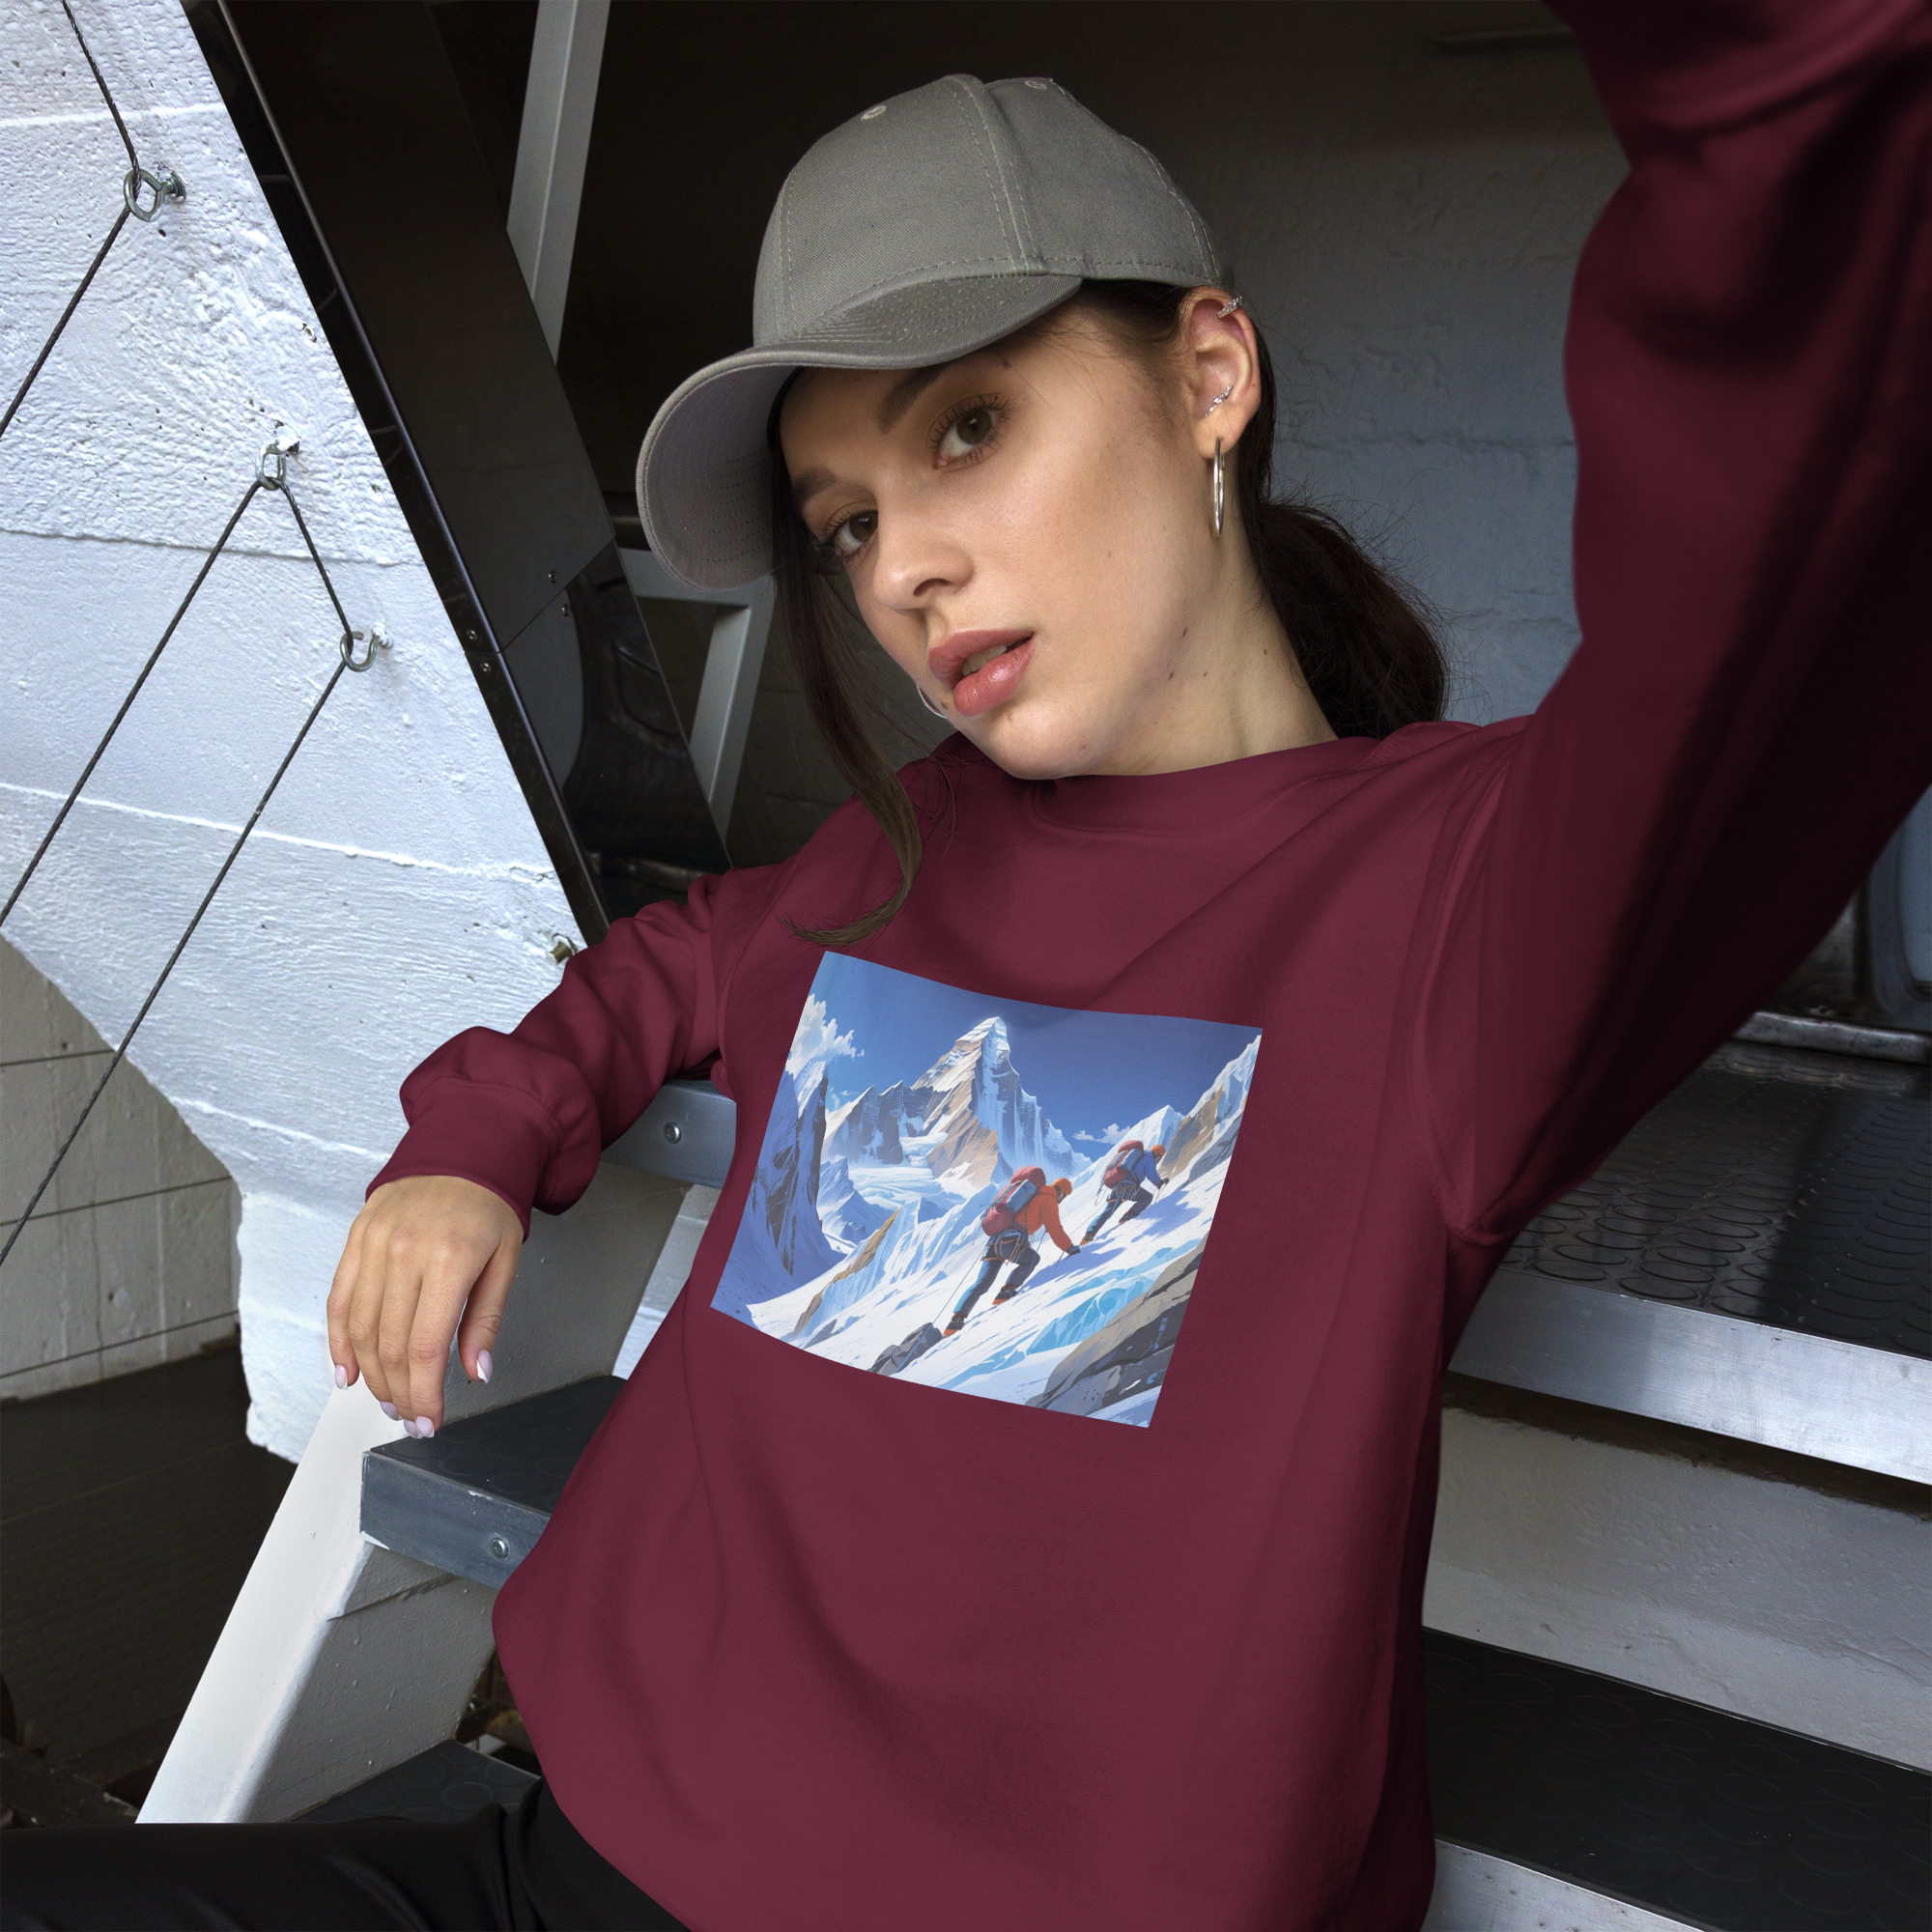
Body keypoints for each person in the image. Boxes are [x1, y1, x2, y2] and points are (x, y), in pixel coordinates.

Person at [8, 3, 1927, 1927]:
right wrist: (469, 1141)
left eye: (968, 428)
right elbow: (667, 963)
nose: (901, 568)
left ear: (1208, 377)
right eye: (846, 520)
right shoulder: (897, 850)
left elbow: (1778, 503)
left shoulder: (1457, 907)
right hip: (578, 1861)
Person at [946, 1172, 1076, 1334]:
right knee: (1032, 1259)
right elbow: (1055, 1228)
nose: (1062, 1200)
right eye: (1063, 1196)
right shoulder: (1048, 1199)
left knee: (982, 1283)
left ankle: (956, 1319)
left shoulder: (1033, 1194)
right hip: (1011, 1243)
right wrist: (1069, 1247)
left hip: (995, 1242)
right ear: (1060, 1192)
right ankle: (1007, 1290)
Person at [1080, 1140, 1166, 1244]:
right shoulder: (1149, 1159)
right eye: (1158, 1158)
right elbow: (1151, 1174)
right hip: (1129, 1187)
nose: (1157, 1161)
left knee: (1107, 1212)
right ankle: (1129, 1215)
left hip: (1118, 1187)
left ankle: (1088, 1234)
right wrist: (1159, 1183)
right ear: (1156, 1154)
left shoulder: (1139, 1155)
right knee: (1147, 1197)